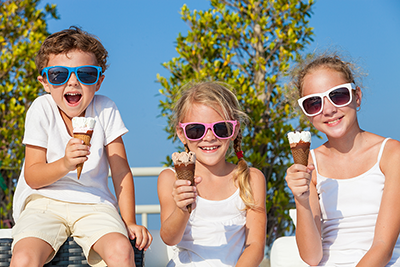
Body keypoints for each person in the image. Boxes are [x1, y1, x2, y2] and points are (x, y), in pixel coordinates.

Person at [10, 26, 152, 267]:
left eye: (86, 74)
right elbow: (33, 176)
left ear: (98, 82)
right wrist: (65, 163)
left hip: (94, 204)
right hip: (43, 201)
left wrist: (129, 220)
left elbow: (121, 171)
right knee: (24, 257)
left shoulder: (105, 109)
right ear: (45, 82)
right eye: (59, 75)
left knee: (121, 250)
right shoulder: (41, 109)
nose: (73, 81)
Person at [285, 53, 400, 266]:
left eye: (338, 95)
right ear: (307, 114)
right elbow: (312, 257)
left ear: (357, 97)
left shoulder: (392, 154)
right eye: (313, 103)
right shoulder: (311, 163)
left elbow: (383, 247)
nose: (328, 110)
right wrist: (301, 199)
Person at [157, 81, 266, 267]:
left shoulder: (251, 179)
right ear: (182, 134)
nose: (209, 137)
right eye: (196, 130)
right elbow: (169, 238)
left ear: (234, 130)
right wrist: (182, 209)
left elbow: (255, 246)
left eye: (220, 128)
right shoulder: (170, 178)